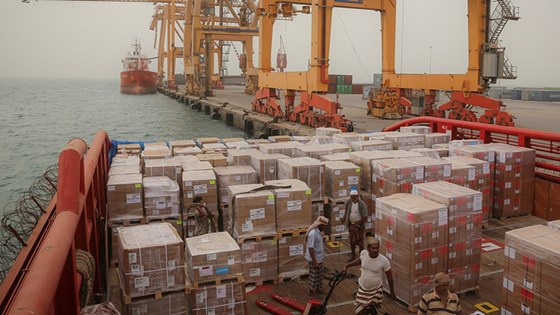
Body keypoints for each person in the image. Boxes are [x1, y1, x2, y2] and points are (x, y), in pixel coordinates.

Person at [344, 237, 396, 315]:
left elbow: (389, 277)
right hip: (363, 288)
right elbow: (360, 261)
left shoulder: (384, 260)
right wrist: (347, 266)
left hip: (376, 290)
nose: (375, 250)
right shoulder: (364, 254)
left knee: (367, 310)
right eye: (373, 248)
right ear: (368, 248)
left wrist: (392, 293)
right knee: (360, 311)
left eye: (377, 248)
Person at [305, 216, 329, 297]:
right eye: (324, 226)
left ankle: (318, 288)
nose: (325, 228)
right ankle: (311, 291)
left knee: (319, 275)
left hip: (319, 257)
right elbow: (311, 248)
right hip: (314, 258)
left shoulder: (319, 232)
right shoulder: (312, 233)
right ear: (320, 225)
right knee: (313, 275)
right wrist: (315, 261)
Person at [341, 189, 368, 261]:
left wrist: (358, 223)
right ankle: (353, 256)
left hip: (359, 226)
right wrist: (343, 218)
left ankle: (361, 258)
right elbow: (347, 211)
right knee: (352, 241)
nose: (352, 198)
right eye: (351, 197)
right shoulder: (349, 202)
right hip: (351, 225)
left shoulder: (362, 204)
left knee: (360, 241)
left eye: (353, 197)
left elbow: (365, 217)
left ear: (357, 196)